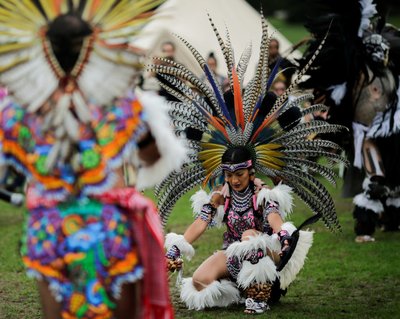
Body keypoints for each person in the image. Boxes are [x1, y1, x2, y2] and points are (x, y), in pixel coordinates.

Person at [150, 13, 347, 315]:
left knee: (249, 238)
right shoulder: (221, 194)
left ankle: (262, 288)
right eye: (230, 175)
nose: (235, 180)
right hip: (233, 254)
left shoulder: (261, 193)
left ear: (251, 170)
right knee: (200, 283)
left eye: (240, 174)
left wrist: (283, 236)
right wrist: (176, 245)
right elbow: (201, 222)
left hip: (265, 254)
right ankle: (243, 289)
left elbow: (275, 221)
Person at [0, 1, 186, 318]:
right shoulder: (116, 104)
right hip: (106, 226)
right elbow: (153, 156)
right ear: (93, 49)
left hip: (48, 231)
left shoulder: (21, 108)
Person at [298, 0, 400, 242]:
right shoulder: (348, 77)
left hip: (386, 120)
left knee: (390, 170)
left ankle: (389, 216)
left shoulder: (382, 63)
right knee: (376, 175)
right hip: (363, 127)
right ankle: (368, 223)